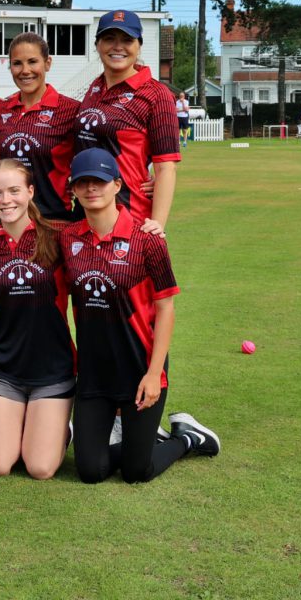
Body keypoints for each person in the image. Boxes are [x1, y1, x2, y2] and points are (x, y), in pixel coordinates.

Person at [61, 149, 220, 483]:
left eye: (100, 181)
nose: (92, 189)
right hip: (94, 374)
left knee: (137, 471)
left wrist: (153, 374)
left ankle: (186, 438)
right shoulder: (68, 239)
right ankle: (142, 441)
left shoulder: (146, 239)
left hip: (140, 368)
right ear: (73, 189)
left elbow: (165, 308)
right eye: (83, 183)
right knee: (91, 471)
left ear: (117, 184)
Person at [0, 159, 75, 479]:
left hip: (52, 369)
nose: (6, 200)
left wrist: (150, 224)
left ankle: (60, 427)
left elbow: (104, 234)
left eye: (14, 190)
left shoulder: (59, 237)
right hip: (4, 369)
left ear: (30, 191)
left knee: (40, 468)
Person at [75, 10, 179, 231]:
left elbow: (166, 168)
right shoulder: (95, 88)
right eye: (109, 39)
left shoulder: (156, 94)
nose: (118, 46)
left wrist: (157, 224)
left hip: (131, 218)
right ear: (97, 45)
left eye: (126, 40)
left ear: (138, 46)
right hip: (86, 216)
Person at [0, 32, 82, 223]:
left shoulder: (71, 110)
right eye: (17, 63)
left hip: (53, 221)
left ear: (47, 63)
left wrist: (149, 180)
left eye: (32, 61)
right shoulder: (0, 110)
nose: (25, 70)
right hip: (10, 221)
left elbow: (97, 154)